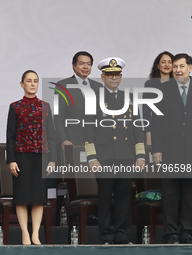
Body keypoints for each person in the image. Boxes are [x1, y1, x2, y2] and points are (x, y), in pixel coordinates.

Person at [84, 57, 145, 244]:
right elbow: (88, 129)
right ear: (102, 77)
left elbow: (137, 129)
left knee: (124, 198)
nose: (113, 78)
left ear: (121, 77)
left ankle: (122, 235)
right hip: (103, 157)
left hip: (125, 156)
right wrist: (91, 157)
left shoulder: (130, 99)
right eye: (109, 75)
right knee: (105, 198)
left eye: (117, 74)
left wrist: (140, 155)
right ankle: (106, 236)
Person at [6, 70, 56, 245]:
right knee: (21, 196)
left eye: (35, 81)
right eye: (29, 81)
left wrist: (53, 160)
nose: (33, 84)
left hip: (41, 156)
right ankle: (24, 233)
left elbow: (51, 135)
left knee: (38, 197)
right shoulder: (15, 106)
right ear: (22, 84)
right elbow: (10, 136)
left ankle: (35, 233)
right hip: (21, 157)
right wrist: (11, 160)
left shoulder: (45, 106)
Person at [152, 53, 192, 244]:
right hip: (168, 150)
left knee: (189, 193)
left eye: (181, 66)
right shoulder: (164, 89)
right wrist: (156, 149)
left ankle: (187, 232)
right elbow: (156, 121)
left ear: (190, 68)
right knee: (169, 193)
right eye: (175, 67)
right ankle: (172, 234)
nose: (177, 70)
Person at [54, 51, 102, 150]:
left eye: (88, 64)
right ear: (74, 66)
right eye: (81, 63)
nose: (85, 67)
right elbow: (58, 116)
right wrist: (63, 139)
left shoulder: (98, 87)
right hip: (72, 142)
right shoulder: (62, 86)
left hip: (95, 142)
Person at [143, 51, 173, 145]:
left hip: (176, 131)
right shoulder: (150, 84)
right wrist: (148, 136)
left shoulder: (179, 84)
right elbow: (146, 112)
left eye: (170, 62)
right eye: (163, 62)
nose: (167, 64)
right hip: (157, 130)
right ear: (158, 65)